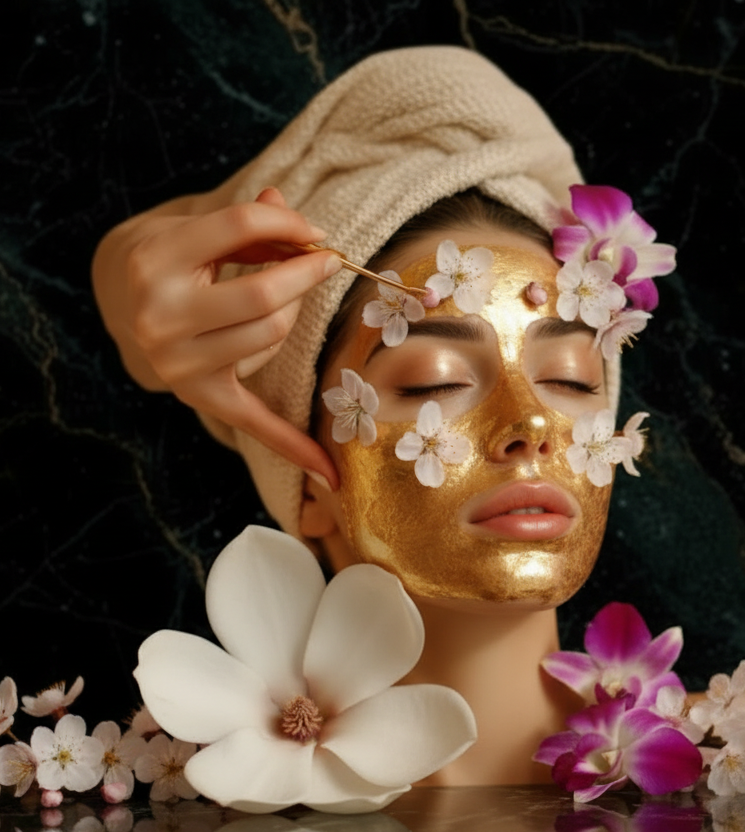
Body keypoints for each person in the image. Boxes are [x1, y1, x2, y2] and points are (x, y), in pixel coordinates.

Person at [93, 46, 655, 786]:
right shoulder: (197, 795)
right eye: (432, 383)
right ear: (307, 477)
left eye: (572, 379)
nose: (533, 425)